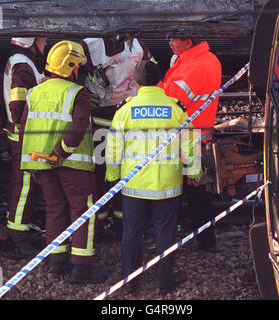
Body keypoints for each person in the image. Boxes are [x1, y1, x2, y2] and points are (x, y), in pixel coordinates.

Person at [105, 60, 202, 294]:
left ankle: (130, 282)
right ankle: (165, 281)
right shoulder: (176, 107)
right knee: (166, 232)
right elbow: (190, 143)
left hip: (134, 185)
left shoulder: (125, 110)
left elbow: (113, 147)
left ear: (137, 84)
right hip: (167, 184)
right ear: (160, 82)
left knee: (132, 232)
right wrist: (194, 172)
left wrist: (113, 175)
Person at [20, 40, 107, 283]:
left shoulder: (35, 92)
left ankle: (57, 263)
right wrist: (61, 151)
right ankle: (82, 269)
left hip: (42, 165)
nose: (78, 70)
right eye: (77, 66)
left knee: (55, 209)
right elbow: (78, 127)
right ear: (69, 67)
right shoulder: (77, 93)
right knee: (82, 212)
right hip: (73, 164)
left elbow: (26, 127)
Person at [78, 36, 155, 239]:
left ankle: (121, 224)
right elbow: (67, 73)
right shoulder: (89, 45)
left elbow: (153, 73)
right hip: (103, 121)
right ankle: (103, 224)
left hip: (125, 121)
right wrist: (83, 95)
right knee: (103, 176)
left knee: (124, 174)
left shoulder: (139, 45)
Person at [158, 37, 222, 253]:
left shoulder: (194, 65)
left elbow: (171, 99)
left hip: (190, 139)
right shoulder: (202, 59)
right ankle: (206, 238)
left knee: (194, 193)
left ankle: (205, 240)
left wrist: (151, 87)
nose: (169, 43)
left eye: (173, 39)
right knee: (198, 192)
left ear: (188, 40)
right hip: (197, 137)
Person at [1, 37, 47, 259]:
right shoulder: (23, 65)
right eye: (42, 39)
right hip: (24, 136)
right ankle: (17, 239)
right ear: (30, 42)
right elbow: (18, 106)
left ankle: (20, 231)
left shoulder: (22, 62)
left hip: (22, 134)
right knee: (25, 185)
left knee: (23, 184)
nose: (45, 43)